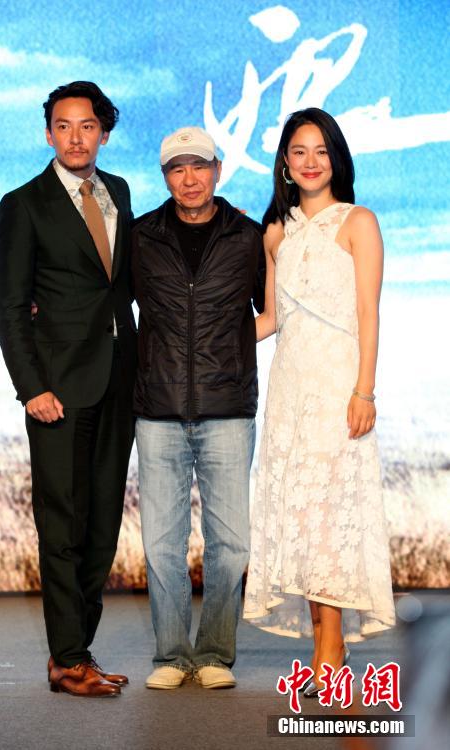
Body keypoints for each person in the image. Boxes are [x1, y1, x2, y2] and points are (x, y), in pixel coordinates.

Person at [243, 108, 395, 696]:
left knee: (329, 517)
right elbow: (270, 319)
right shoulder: (274, 233)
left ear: (337, 159)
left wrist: (364, 390)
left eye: (321, 151)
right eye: (299, 152)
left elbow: (368, 313)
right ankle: (324, 647)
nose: (310, 162)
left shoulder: (358, 222)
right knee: (302, 519)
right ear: (284, 161)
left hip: (338, 389)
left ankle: (329, 652)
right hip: (288, 392)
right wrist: (197, 331)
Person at [0, 81, 136, 697]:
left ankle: (79, 652)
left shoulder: (119, 192)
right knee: (62, 526)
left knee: (102, 526)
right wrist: (31, 387)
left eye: (87, 126)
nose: (75, 138)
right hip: (57, 390)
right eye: (63, 126)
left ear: (103, 132)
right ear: (48, 132)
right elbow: (9, 307)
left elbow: (118, 285)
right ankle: (67, 659)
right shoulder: (23, 204)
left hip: (119, 382)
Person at [131, 126, 265, 689]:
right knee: (161, 544)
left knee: (231, 543)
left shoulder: (248, 236)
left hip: (227, 406)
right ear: (166, 176)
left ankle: (213, 654)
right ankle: (170, 656)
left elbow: (274, 309)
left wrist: (231, 347)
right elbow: (105, 303)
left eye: (199, 166)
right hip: (157, 408)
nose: (189, 179)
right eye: (177, 169)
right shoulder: (140, 236)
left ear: (218, 170)